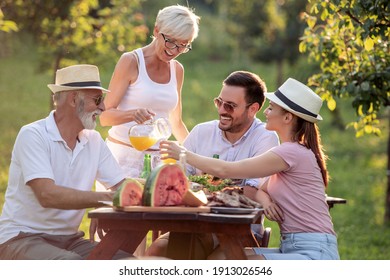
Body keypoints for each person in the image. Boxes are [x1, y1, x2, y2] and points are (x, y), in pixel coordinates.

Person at [160, 78, 340, 260]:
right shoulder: (286, 153)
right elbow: (260, 190)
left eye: (271, 108)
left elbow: (226, 170)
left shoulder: (290, 152)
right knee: (223, 260)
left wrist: (184, 154)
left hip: (314, 251)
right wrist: (267, 202)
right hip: (293, 245)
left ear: (287, 118)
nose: (266, 113)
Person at [0, 64, 132, 260]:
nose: (103, 107)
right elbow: (47, 195)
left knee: (128, 264)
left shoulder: (94, 140)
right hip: (21, 238)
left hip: (70, 240)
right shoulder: (33, 135)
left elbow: (123, 188)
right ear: (73, 99)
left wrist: (106, 206)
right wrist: (105, 199)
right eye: (97, 100)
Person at [145, 70, 279, 259]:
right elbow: (177, 182)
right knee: (155, 254)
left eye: (231, 106)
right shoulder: (201, 132)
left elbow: (251, 195)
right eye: (219, 102)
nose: (222, 110)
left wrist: (198, 194)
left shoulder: (265, 138)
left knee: (214, 263)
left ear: (253, 109)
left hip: (240, 232)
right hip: (192, 227)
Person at [97, 4, 200, 179]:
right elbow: (104, 117)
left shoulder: (177, 70)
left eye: (183, 45)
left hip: (160, 163)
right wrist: (132, 114)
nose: (174, 50)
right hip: (123, 159)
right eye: (171, 41)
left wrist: (198, 159)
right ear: (156, 30)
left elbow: (176, 122)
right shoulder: (131, 61)